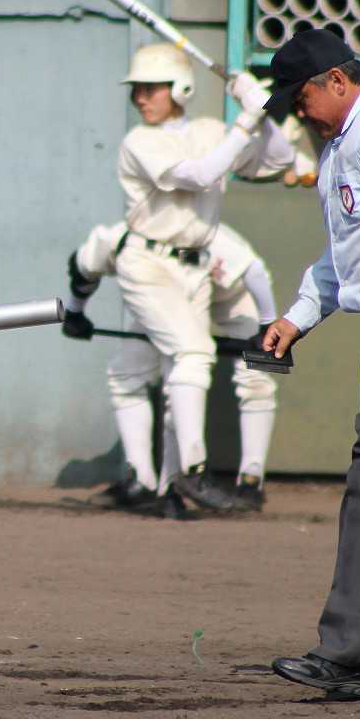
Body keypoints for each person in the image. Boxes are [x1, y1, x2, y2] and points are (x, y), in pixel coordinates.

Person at [110, 43, 291, 513]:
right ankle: (193, 472)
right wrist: (245, 122)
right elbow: (198, 174)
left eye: (151, 88)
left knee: (183, 374)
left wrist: (263, 112)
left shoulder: (213, 130)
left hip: (196, 265)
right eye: (138, 90)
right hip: (149, 264)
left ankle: (171, 489)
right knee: (193, 353)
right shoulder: (140, 141)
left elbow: (278, 161)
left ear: (182, 89)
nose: (141, 99)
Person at [261, 30, 360, 699]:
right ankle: (355, 651)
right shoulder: (344, 145)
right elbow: (345, 256)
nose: (299, 109)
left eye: (302, 95)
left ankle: (351, 651)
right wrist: (297, 315)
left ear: (338, 79)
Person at [64, 221, 279, 518]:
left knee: (254, 379)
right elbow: (81, 270)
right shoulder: (118, 240)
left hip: (239, 292)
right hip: (173, 293)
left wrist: (268, 324)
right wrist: (74, 312)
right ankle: (143, 480)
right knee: (128, 373)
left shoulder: (200, 234)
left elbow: (253, 271)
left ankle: (250, 482)